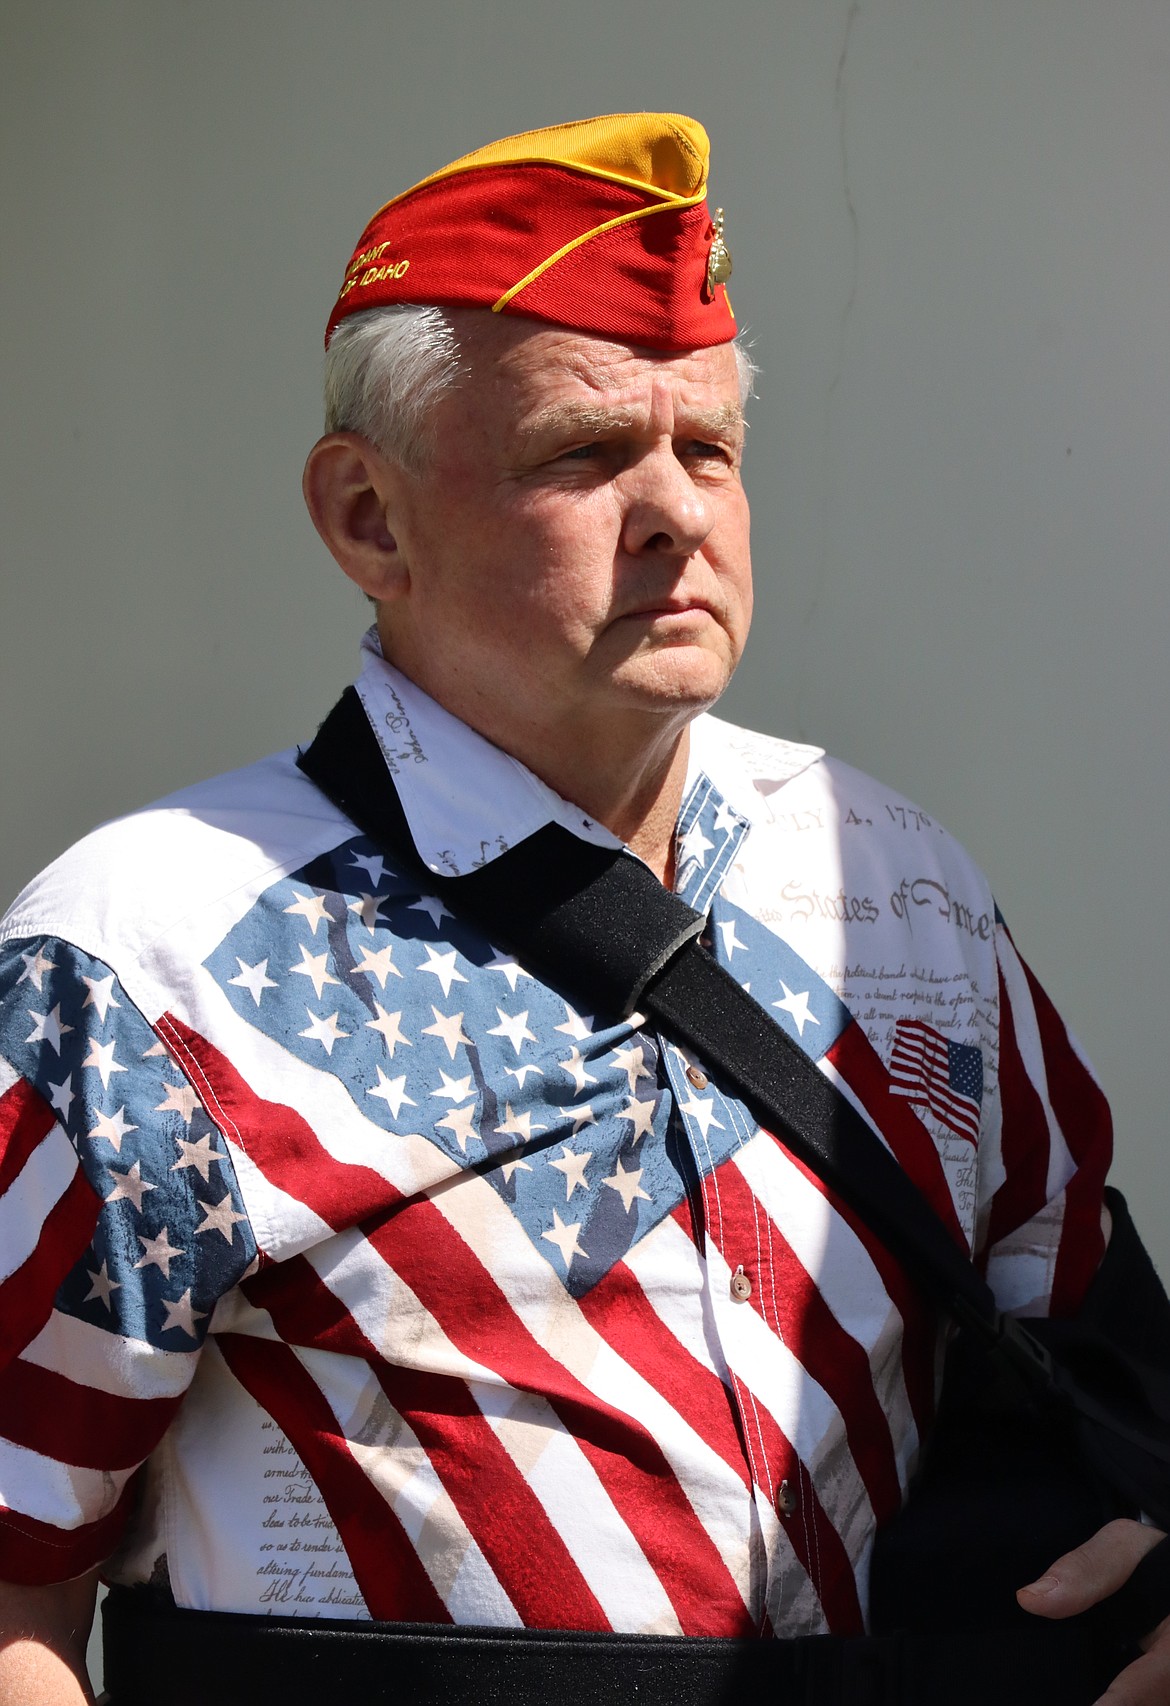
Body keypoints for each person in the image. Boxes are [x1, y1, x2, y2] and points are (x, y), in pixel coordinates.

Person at [0, 111, 1166, 1705]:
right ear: (366, 518)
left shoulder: (897, 883)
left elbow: (1102, 1365)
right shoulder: (138, 956)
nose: (675, 510)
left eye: (707, 449)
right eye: (583, 452)